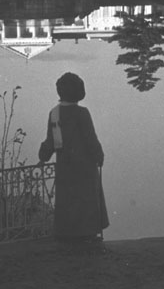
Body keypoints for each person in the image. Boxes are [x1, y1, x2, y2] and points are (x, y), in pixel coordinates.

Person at [39, 72, 109, 245]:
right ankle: (88, 234)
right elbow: (91, 139)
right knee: (86, 199)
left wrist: (43, 157)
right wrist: (99, 156)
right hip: (84, 166)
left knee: (68, 200)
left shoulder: (54, 113)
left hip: (65, 166)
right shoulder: (82, 113)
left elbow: (51, 141)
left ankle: (68, 234)